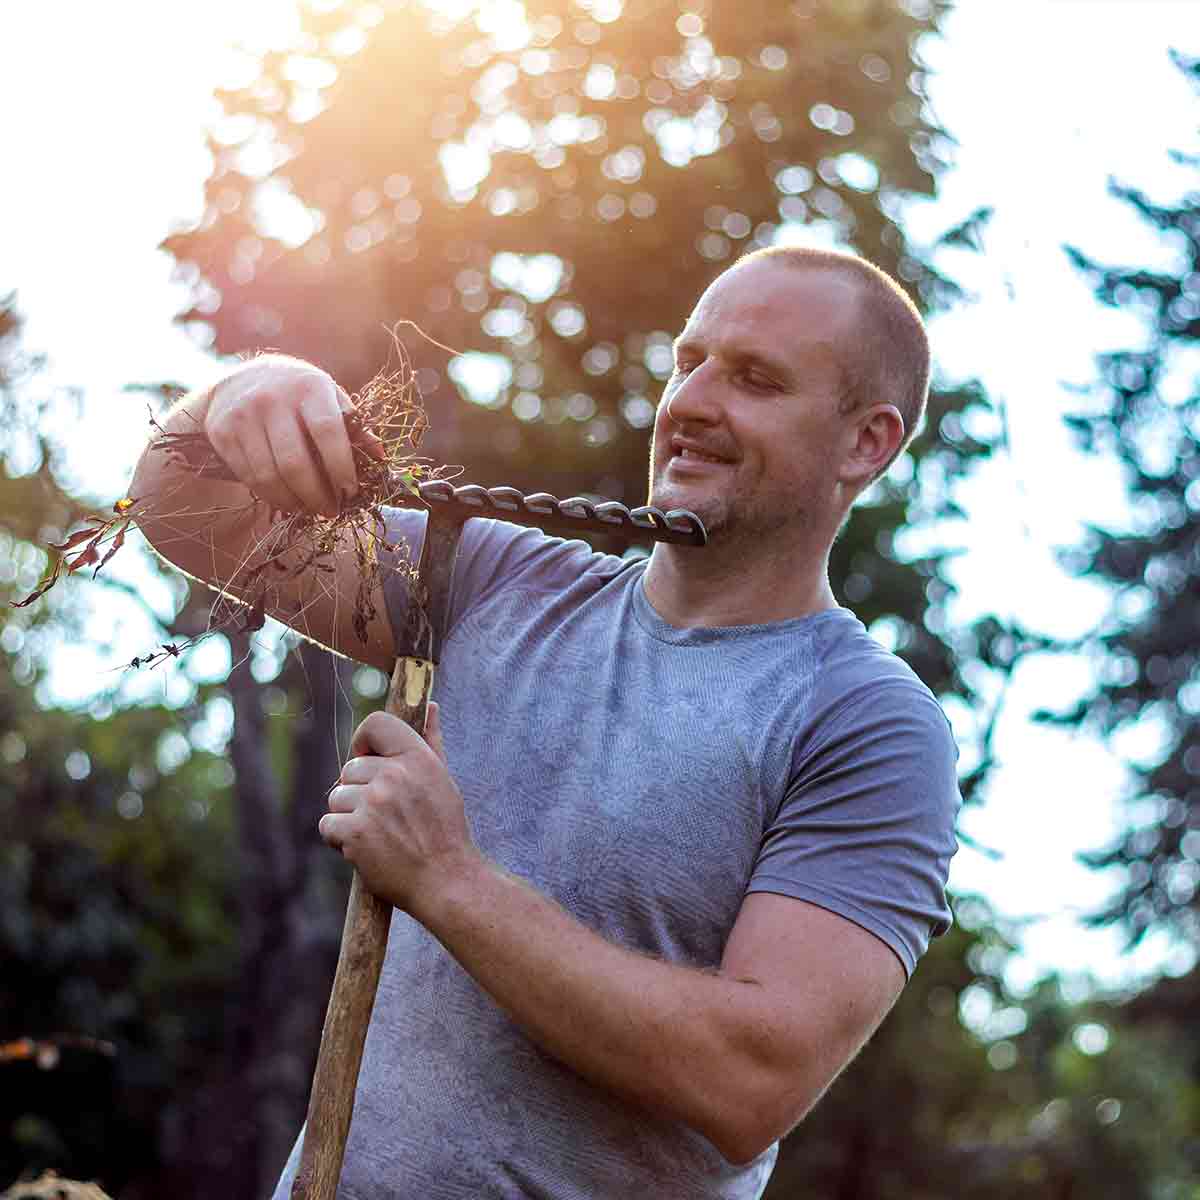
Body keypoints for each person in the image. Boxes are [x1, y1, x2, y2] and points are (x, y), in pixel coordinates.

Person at [129, 245, 960, 1198]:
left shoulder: (866, 724)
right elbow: (188, 512)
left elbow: (751, 1078)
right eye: (688, 362)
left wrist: (447, 880)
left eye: (756, 379)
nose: (690, 402)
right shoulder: (489, 579)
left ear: (867, 442)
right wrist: (246, 395)